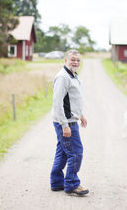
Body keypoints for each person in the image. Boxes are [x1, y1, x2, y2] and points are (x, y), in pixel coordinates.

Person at [50, 49, 89, 196]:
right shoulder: (63, 77)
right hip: (66, 123)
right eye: (73, 59)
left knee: (63, 153)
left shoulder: (73, 75)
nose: (76, 62)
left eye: (78, 60)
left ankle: (57, 182)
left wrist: (81, 114)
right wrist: (65, 125)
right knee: (76, 153)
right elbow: (57, 103)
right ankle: (72, 184)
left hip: (72, 120)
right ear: (65, 60)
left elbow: (72, 100)